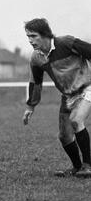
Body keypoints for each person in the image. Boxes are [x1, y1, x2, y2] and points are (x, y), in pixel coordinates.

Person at [23, 18, 91, 178]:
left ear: (45, 34)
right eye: (28, 37)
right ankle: (77, 167)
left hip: (88, 87)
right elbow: (36, 83)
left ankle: (88, 165)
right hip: (68, 95)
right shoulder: (36, 58)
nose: (30, 40)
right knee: (64, 136)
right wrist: (30, 106)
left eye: (33, 36)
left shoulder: (65, 43)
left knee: (76, 120)